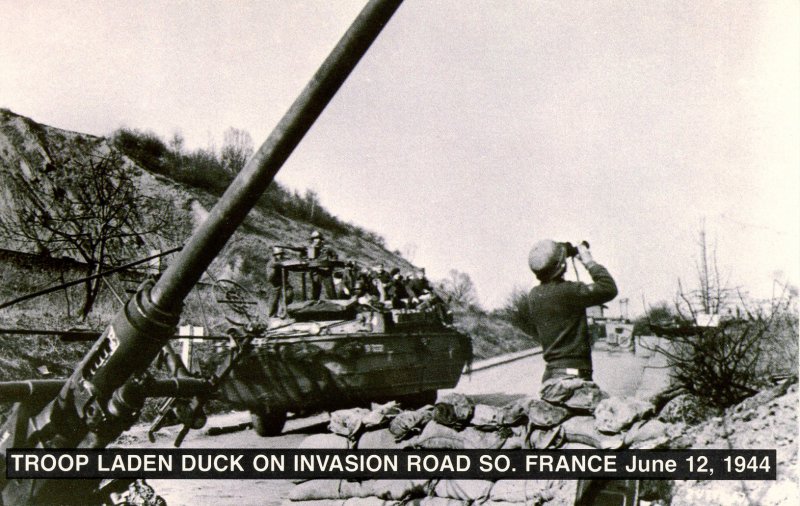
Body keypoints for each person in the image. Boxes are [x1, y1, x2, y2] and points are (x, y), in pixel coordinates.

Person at [526, 240, 617, 383]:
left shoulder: (533, 295)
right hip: (574, 377)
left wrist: (562, 252)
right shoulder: (570, 291)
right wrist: (588, 261)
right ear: (562, 266)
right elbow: (608, 288)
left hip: (551, 376)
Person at [266, 247, 292, 317]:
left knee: (289, 293)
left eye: (281, 254)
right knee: (273, 301)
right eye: (278, 254)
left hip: (284, 282)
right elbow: (270, 277)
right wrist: (277, 266)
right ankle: (272, 316)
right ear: (274, 255)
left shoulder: (283, 261)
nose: (279, 256)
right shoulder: (271, 263)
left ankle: (285, 311)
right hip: (275, 284)